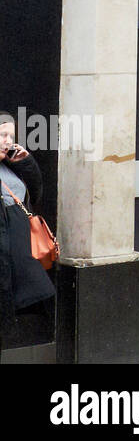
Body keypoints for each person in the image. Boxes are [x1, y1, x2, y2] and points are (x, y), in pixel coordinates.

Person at [0, 112, 55, 349]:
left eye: (11, 135)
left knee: (37, 295)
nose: (8, 141)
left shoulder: (10, 166)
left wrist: (26, 162)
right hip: (6, 249)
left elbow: (36, 193)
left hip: (20, 245)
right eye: (2, 134)